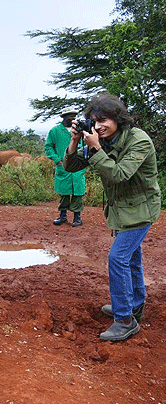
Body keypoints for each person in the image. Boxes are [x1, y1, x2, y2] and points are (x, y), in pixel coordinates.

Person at [63, 93, 161, 342]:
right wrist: (75, 141)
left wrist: (95, 146)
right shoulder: (103, 140)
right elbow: (71, 166)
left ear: (118, 118)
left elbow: (119, 174)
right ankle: (133, 306)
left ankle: (125, 320)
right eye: (94, 121)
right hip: (121, 210)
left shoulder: (139, 141)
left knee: (117, 258)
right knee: (131, 258)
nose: (98, 126)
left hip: (141, 210)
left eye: (103, 120)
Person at [44, 108, 86, 227]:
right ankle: (63, 216)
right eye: (70, 116)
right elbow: (48, 147)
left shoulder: (80, 130)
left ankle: (77, 217)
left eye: (74, 116)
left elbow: (86, 145)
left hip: (78, 166)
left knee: (78, 192)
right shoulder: (55, 131)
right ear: (64, 117)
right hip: (63, 167)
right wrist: (57, 160)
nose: (73, 118)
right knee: (64, 192)